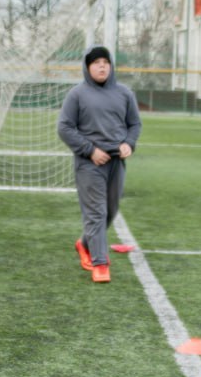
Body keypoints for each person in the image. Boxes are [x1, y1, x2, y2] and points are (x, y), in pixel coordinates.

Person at [57, 45, 142, 283]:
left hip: (116, 162)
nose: (102, 66)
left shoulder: (124, 93)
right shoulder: (77, 94)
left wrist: (129, 143)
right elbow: (64, 127)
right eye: (96, 62)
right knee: (96, 212)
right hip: (89, 164)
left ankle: (84, 244)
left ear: (111, 66)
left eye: (105, 61)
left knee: (111, 211)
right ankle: (100, 263)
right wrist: (90, 150)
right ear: (87, 67)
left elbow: (134, 124)